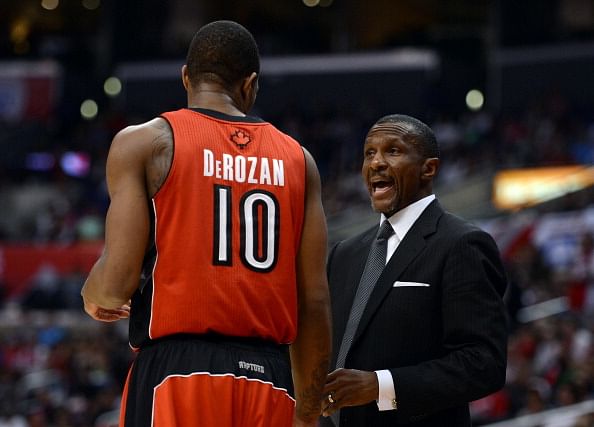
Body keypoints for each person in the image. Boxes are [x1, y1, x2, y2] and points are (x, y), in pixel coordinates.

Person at [81, 20, 331, 427]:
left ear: (186, 78)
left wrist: (93, 294)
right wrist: (306, 409)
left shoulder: (145, 142)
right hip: (271, 378)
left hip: (179, 371)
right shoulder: (300, 161)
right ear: (250, 84)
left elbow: (115, 284)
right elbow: (315, 302)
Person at [320, 114, 508, 426]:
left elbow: (483, 364)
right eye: (369, 153)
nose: (376, 162)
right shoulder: (344, 253)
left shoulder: (462, 244)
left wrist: (380, 386)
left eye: (393, 151)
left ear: (428, 168)